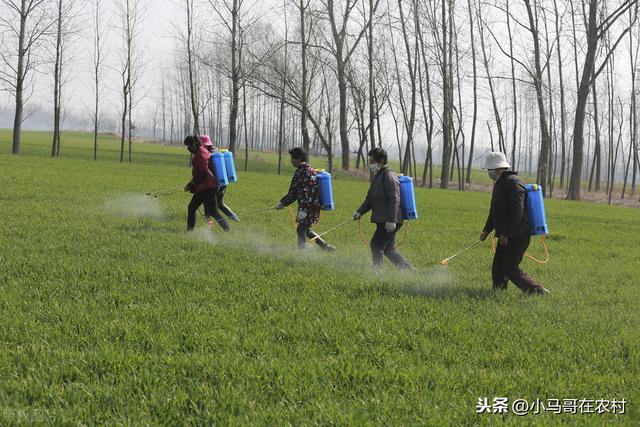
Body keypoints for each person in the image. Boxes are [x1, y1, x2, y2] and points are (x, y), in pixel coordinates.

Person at [479, 151, 549, 295]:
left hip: (517, 234)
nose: (488, 173)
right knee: (498, 268)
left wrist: (505, 233)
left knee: (510, 268)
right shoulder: (499, 183)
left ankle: (537, 291)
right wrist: (487, 229)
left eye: (489, 170)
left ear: (497, 169)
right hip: (507, 234)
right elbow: (495, 211)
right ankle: (498, 292)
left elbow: (517, 212)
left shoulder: (512, 183)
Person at [353, 147, 415, 270]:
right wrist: (360, 211)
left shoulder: (389, 176)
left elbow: (395, 199)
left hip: (390, 219)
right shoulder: (377, 176)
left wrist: (391, 220)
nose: (370, 164)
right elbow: (370, 198)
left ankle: (378, 273)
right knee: (388, 249)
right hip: (384, 219)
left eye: (372, 161)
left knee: (376, 244)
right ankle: (409, 270)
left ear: (381, 161)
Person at [276, 147, 336, 251]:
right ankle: (325, 247)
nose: (291, 160)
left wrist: (283, 203)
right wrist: (284, 203)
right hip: (313, 206)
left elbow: (295, 192)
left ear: (298, 159)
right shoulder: (310, 170)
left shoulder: (301, 172)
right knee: (306, 229)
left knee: (300, 229)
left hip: (307, 207)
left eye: (292, 158)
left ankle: (302, 254)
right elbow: (297, 192)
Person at [184, 135, 229, 232]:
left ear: (195, 144)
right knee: (192, 208)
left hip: (208, 187)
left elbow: (203, 171)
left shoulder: (201, 153)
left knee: (213, 212)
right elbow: (198, 173)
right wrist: (191, 184)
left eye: (189, 145)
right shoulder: (199, 152)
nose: (189, 148)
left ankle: (227, 229)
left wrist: (193, 184)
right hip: (204, 187)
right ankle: (189, 231)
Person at [200, 135, 239, 223]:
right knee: (220, 204)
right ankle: (235, 219)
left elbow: (205, 171)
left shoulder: (206, 155)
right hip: (224, 182)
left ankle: (208, 223)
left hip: (214, 184)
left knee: (207, 203)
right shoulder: (217, 152)